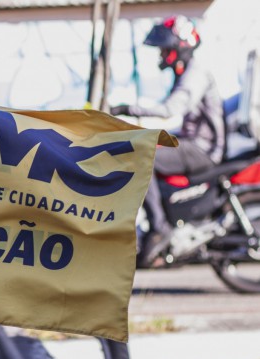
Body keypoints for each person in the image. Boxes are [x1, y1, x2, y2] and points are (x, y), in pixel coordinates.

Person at [111, 15, 225, 268]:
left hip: (204, 150)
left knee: (142, 158)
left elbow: (171, 108)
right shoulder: (187, 72)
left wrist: (127, 108)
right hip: (193, 142)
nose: (162, 55)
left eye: (165, 49)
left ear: (180, 47)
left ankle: (159, 226)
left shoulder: (196, 73)